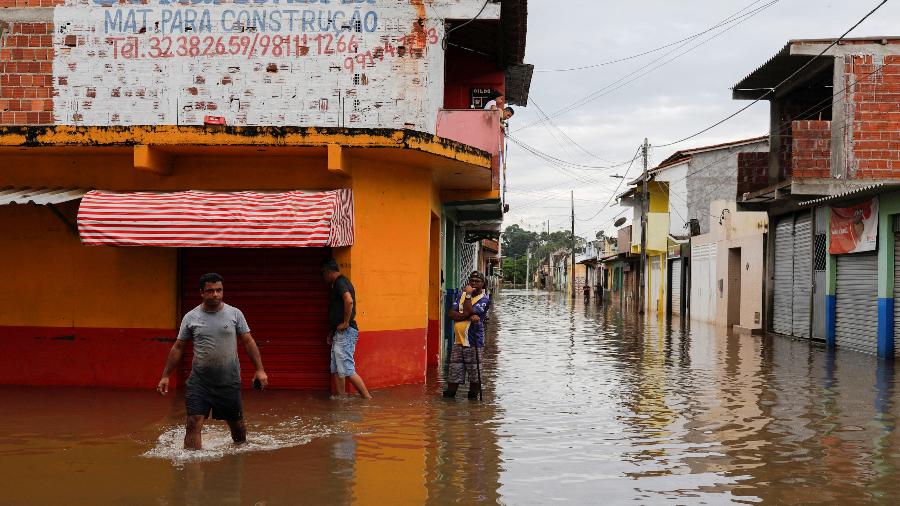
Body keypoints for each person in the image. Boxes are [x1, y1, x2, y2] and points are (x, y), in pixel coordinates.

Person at [157, 273, 268, 450]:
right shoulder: (191, 317)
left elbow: (248, 341)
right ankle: (191, 467)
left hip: (228, 381)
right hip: (199, 383)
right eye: (210, 291)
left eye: (219, 290)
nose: (215, 294)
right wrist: (165, 376)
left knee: (237, 427)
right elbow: (178, 347)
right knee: (193, 422)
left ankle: (238, 459)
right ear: (201, 292)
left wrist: (260, 370)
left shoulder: (235, 314)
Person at [322, 258, 372, 399]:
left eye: (323, 273)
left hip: (346, 332)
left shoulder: (340, 282)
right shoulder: (338, 283)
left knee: (347, 369)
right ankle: (341, 401)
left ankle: (367, 399)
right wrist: (333, 331)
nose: (323, 277)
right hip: (339, 333)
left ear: (329, 272)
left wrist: (345, 323)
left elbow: (348, 300)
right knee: (337, 369)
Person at [444, 271, 491, 400]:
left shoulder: (484, 299)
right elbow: (451, 314)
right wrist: (467, 315)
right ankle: (449, 404)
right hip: (458, 342)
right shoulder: (461, 295)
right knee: (453, 374)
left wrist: (469, 296)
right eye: (472, 280)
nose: (474, 283)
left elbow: (470, 311)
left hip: (474, 343)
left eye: (477, 281)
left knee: (475, 377)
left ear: (483, 284)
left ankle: (473, 405)